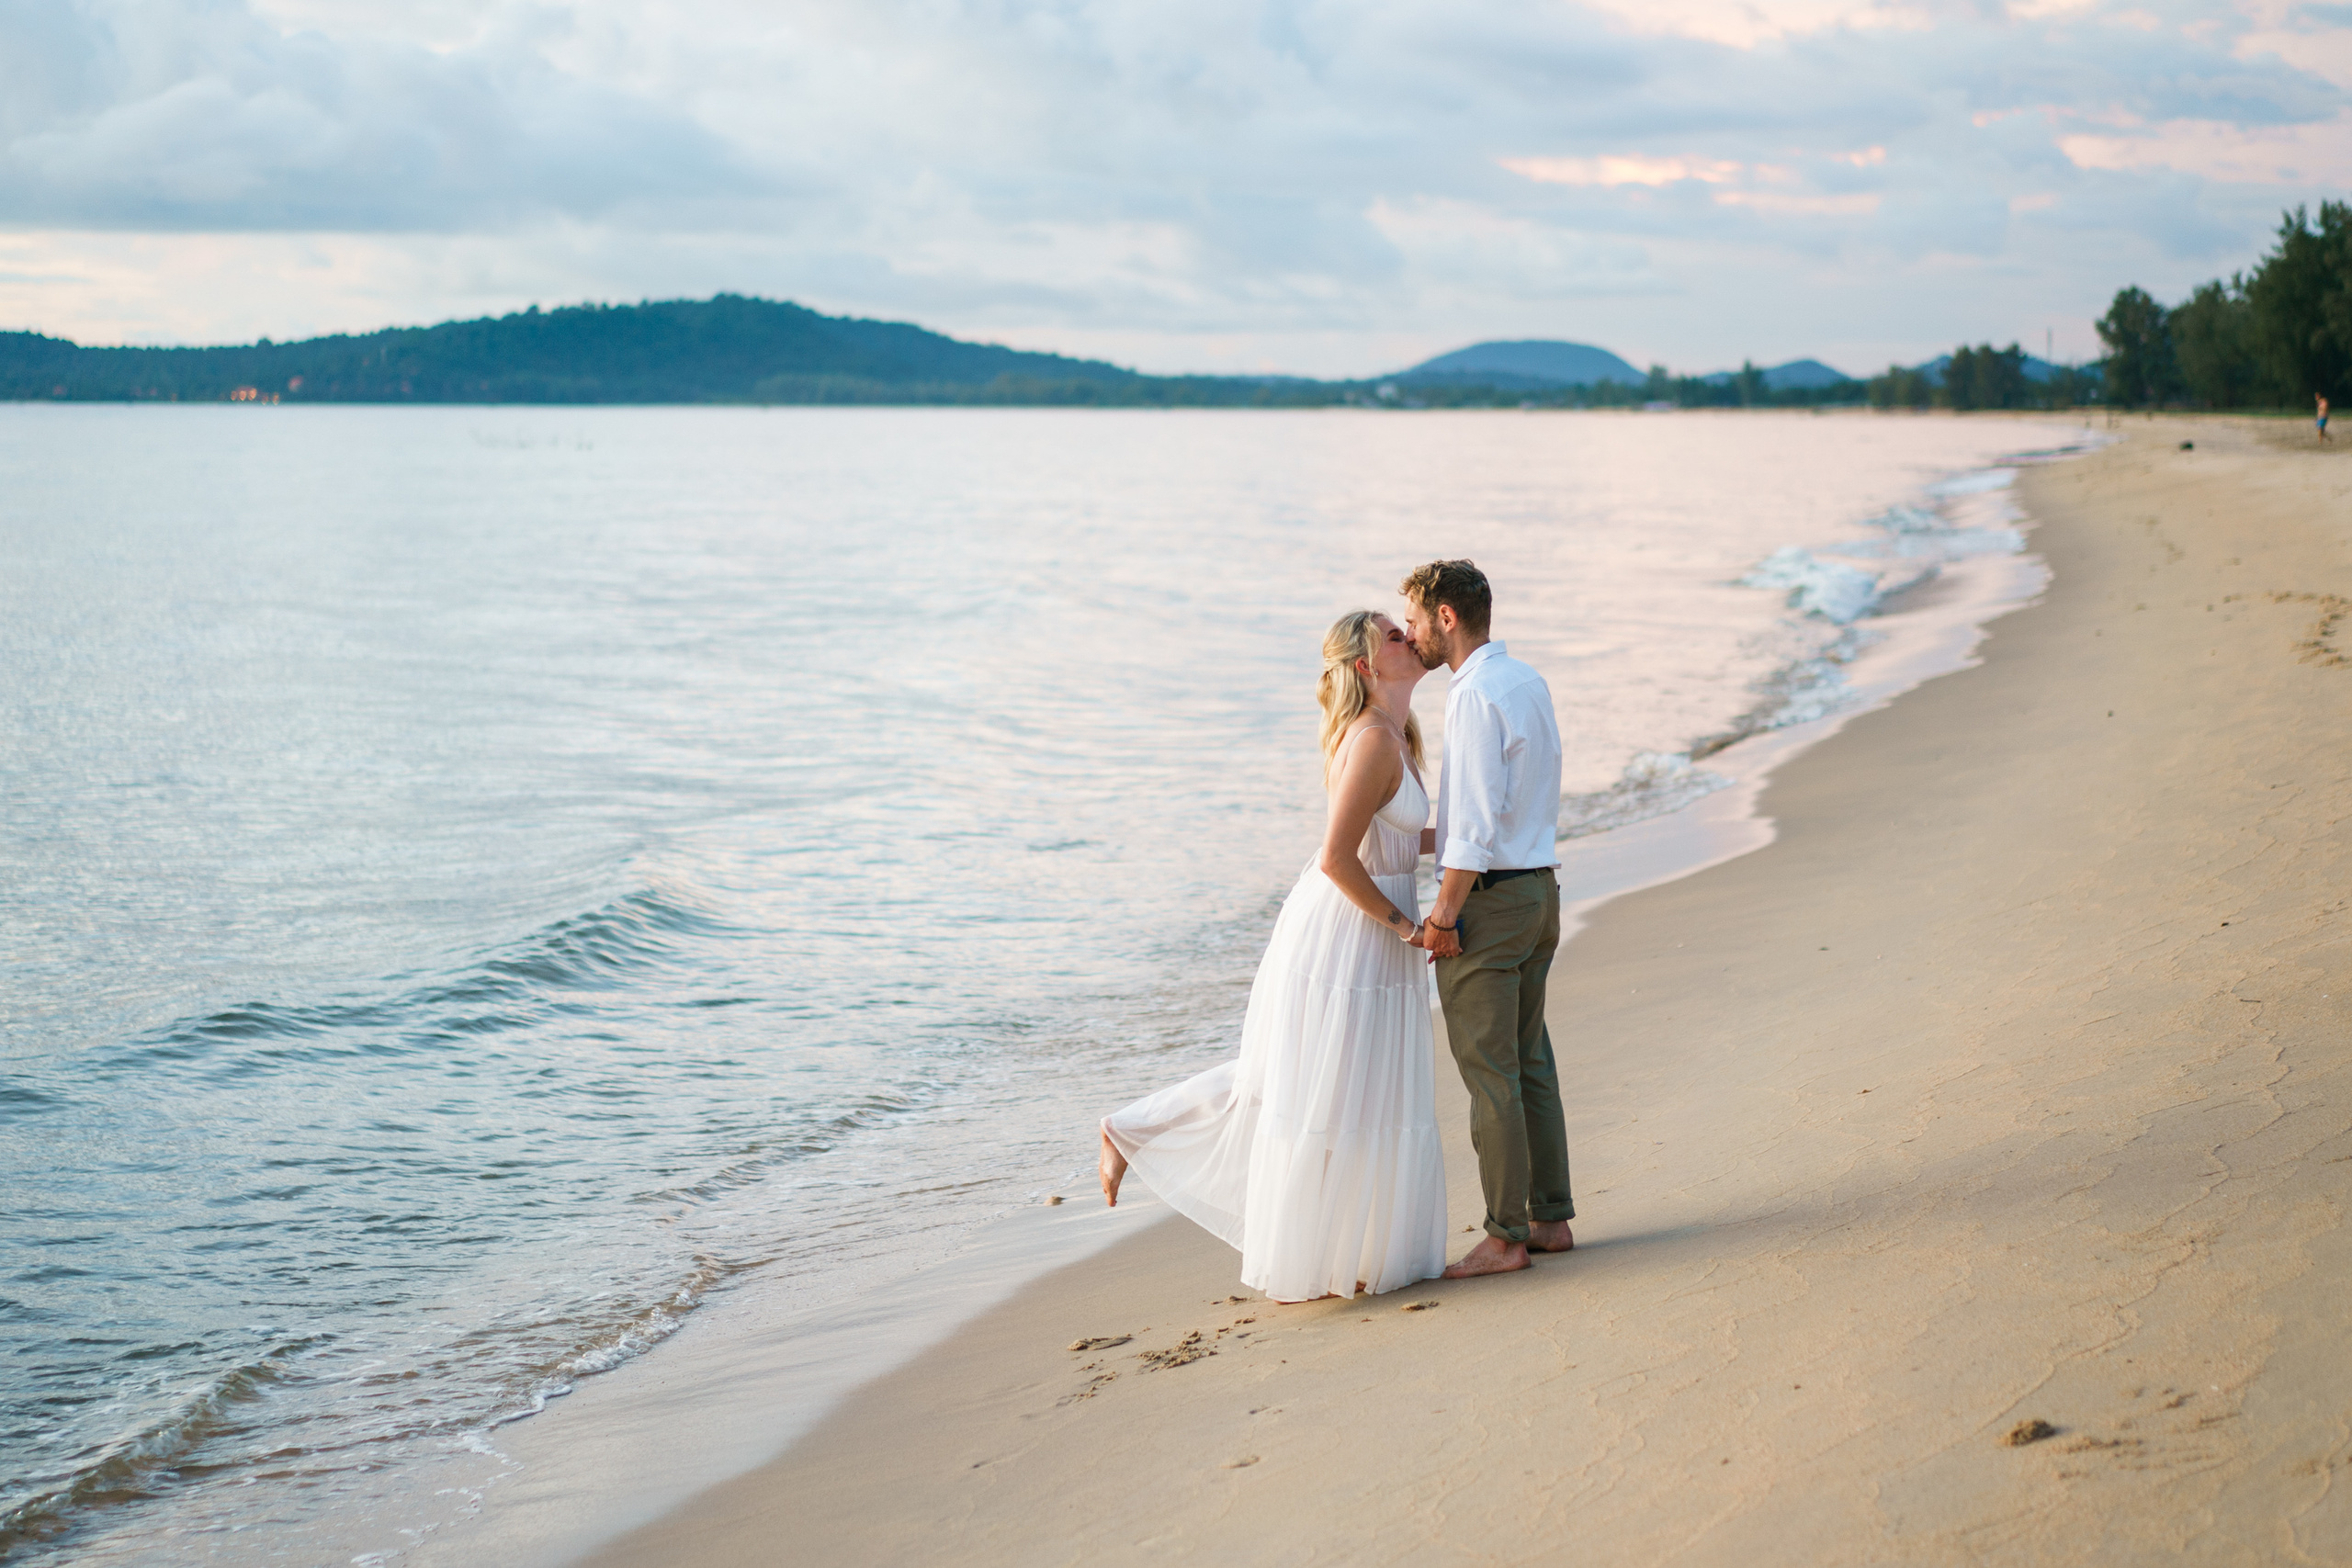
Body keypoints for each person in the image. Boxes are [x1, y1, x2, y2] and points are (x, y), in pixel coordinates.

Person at [1098, 610, 1449, 1303]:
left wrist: (1476, 839)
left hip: (1375, 931)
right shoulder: (1374, 739)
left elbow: (1400, 841)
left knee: (1343, 1089)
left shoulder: (1399, 734)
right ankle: (1129, 1128)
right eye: (1391, 634)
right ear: (1365, 666)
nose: (1407, 636)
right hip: (1348, 934)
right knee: (1308, 1086)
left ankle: (1339, 1252)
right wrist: (1409, 928)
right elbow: (1336, 859)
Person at [1399, 559, 1576, 1280]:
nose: (1409, 634)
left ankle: (1505, 1236)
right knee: (1530, 1059)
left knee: (1490, 1073)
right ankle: (1549, 1217)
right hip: (1539, 891)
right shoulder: (1525, 680)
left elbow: (1473, 825)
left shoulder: (1472, 696)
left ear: (1446, 617)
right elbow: (1504, 806)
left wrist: (1443, 915)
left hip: (1491, 903)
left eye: (1412, 618)